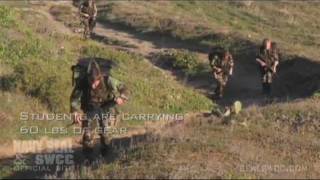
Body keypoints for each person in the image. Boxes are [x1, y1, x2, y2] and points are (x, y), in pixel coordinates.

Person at [70, 59, 128, 157]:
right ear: (87, 77)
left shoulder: (107, 80)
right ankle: (87, 161)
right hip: (90, 109)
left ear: (99, 78)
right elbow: (74, 98)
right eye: (91, 81)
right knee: (88, 135)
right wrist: (75, 112)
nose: (93, 85)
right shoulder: (83, 82)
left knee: (105, 134)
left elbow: (123, 87)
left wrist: (122, 97)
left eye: (96, 81)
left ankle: (105, 157)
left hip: (106, 108)